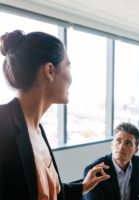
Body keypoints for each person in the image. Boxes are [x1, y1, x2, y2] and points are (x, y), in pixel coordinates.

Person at [0, 30, 110, 200]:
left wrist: (83, 186)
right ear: (50, 70)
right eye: (68, 67)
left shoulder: (38, 129)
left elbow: (49, 193)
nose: (71, 78)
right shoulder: (3, 124)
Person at [83, 122, 139, 200]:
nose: (121, 146)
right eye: (118, 141)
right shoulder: (95, 171)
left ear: (135, 150)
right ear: (111, 145)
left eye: (128, 143)